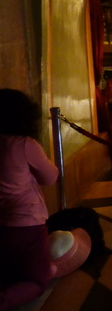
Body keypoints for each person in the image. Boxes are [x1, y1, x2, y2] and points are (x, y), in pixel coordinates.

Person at [0, 89, 59, 310]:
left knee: (9, 274)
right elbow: (50, 177)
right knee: (37, 280)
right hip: (26, 223)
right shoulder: (23, 144)